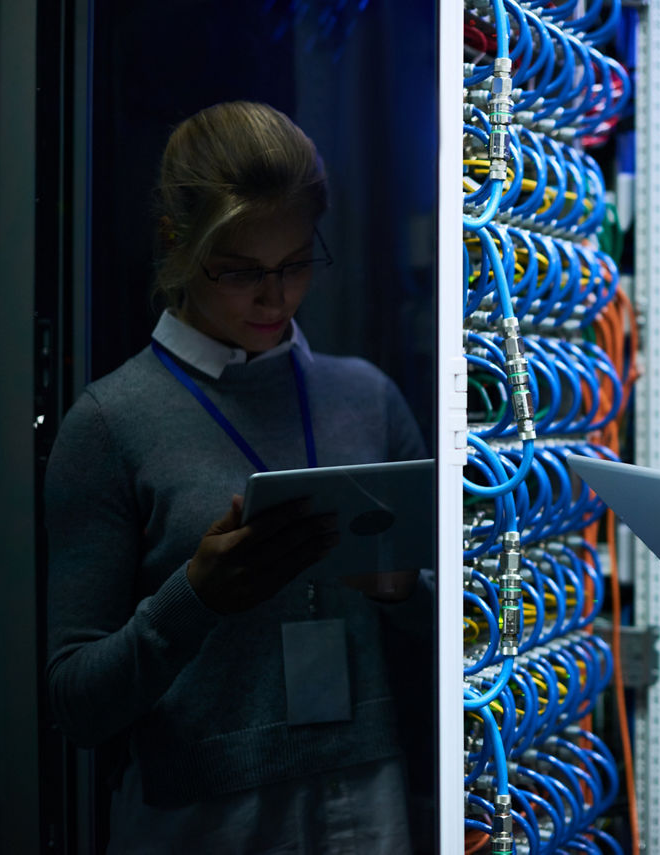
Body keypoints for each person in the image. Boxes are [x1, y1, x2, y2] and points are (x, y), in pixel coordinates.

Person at [45, 101, 428, 853]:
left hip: (369, 794)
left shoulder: (366, 395)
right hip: (201, 818)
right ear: (176, 241)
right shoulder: (110, 423)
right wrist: (193, 599)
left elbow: (469, 634)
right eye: (241, 271)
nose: (275, 297)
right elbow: (76, 703)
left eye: (294, 264)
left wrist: (406, 589)